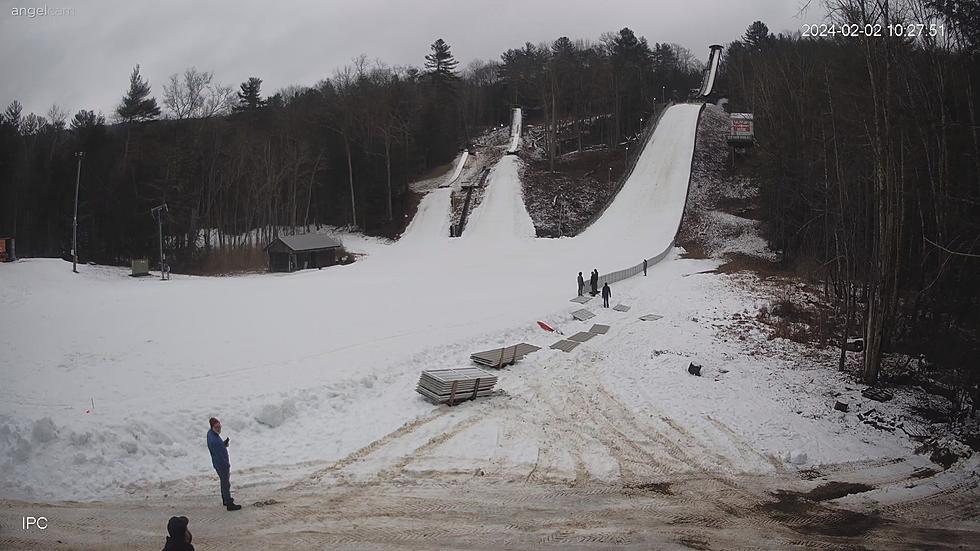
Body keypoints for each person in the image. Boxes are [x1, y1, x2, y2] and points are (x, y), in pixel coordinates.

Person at [207, 417, 241, 511]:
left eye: (219, 426)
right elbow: (220, 455)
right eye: (217, 427)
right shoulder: (215, 441)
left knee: (224, 482)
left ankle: (225, 499)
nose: (219, 429)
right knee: (226, 483)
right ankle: (229, 503)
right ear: (212, 427)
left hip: (218, 464)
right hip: (222, 465)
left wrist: (223, 444)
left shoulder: (211, 434)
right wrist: (226, 465)